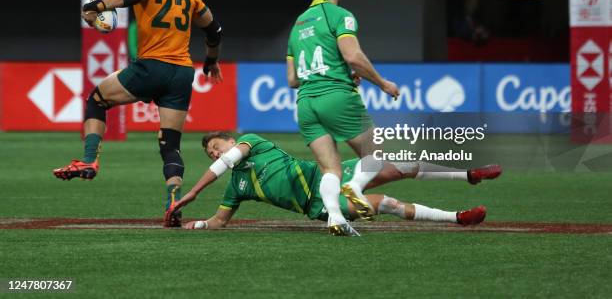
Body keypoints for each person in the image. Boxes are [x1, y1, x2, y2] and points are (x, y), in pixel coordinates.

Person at [52, 0, 223, 228]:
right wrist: (210, 61)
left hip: (152, 66)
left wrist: (97, 7)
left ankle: (89, 159)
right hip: (182, 72)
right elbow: (215, 30)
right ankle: (174, 201)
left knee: (96, 99)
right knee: (170, 144)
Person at [165, 132, 502, 231]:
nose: (214, 154)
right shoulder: (235, 187)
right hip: (318, 205)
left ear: (229, 140)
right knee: (388, 204)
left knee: (404, 165)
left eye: (215, 147)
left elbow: (229, 159)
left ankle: (468, 174)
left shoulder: (252, 141)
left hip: (328, 172)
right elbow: (219, 221)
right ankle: (458, 217)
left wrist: (192, 192)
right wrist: (187, 224)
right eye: (210, 153)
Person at [285, 0, 401, 236]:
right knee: (375, 155)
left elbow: (292, 79)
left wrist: (336, 72)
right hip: (337, 98)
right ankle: (356, 187)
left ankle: (335, 218)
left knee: (330, 168)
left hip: (305, 104)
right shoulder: (340, 16)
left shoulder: (297, 25)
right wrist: (383, 83)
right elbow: (353, 56)